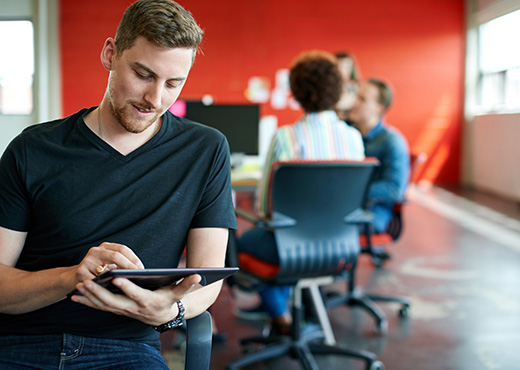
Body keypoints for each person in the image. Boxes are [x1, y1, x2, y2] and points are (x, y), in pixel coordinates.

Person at [0, 0, 237, 368]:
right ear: (110, 54)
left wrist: (170, 309)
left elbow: (207, 279)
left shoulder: (205, 150)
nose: (155, 99)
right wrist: (72, 276)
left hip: (126, 348)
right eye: (143, 74)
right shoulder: (33, 149)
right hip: (22, 341)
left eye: (173, 83)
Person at [237, 50, 365, 334]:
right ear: (339, 89)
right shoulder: (353, 138)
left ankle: (279, 314)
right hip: (342, 248)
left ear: (295, 91)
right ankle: (285, 314)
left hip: (290, 249)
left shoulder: (285, 137)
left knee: (238, 243)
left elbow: (264, 208)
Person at [347, 78, 410, 241]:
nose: (354, 102)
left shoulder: (392, 141)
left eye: (362, 99)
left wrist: (349, 190)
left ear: (378, 108)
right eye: (355, 96)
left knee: (323, 226)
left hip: (372, 214)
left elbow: (395, 189)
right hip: (348, 208)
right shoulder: (347, 134)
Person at [334, 51, 360, 121]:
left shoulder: (358, 88)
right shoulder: (327, 88)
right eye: (339, 66)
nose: (342, 70)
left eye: (346, 66)